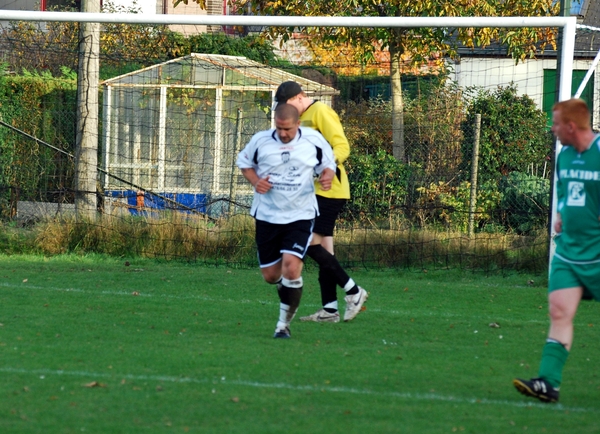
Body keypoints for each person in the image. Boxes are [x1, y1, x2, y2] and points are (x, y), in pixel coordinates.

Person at [513, 98, 600, 403]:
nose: (553, 128)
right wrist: (562, 214)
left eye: (556, 123)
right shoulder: (564, 156)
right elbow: (564, 192)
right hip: (569, 253)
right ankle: (548, 384)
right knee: (559, 311)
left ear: (571, 126)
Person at [236, 103, 336, 338]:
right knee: (271, 276)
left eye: (287, 129)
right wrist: (256, 181)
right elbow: (244, 163)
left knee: (292, 267)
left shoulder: (313, 141)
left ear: (298, 124)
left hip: (300, 215)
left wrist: (327, 176)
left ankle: (283, 326)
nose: (282, 133)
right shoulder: (261, 141)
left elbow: (328, 165)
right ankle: (288, 289)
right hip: (268, 216)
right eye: (279, 128)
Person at [274, 81, 368, 323]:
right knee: (325, 252)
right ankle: (329, 310)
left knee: (305, 242)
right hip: (313, 192)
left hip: (329, 190)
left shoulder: (321, 112)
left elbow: (342, 147)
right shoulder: (300, 120)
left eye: (288, 105)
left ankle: (354, 291)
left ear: (299, 97)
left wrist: (323, 166)